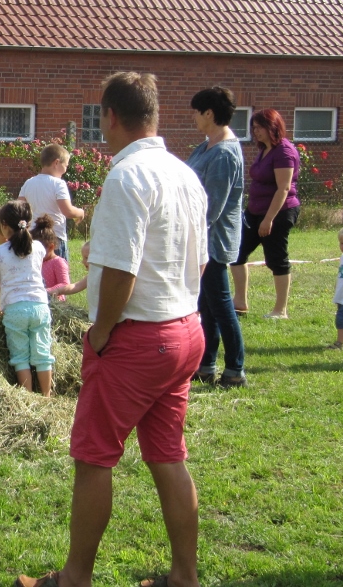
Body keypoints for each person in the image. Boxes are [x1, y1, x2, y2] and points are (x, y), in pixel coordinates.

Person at [16, 72, 208, 587]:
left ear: (111, 117)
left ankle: (75, 578)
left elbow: (123, 268)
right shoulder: (184, 172)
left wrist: (101, 331)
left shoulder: (126, 178)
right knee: (168, 455)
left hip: (136, 336)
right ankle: (184, 577)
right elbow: (201, 260)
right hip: (185, 327)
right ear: (155, 115)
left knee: (94, 456)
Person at [187, 86, 247, 388]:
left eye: (197, 112)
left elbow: (212, 206)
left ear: (209, 113)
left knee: (221, 305)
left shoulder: (224, 153)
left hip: (213, 240)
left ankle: (235, 368)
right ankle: (207, 364)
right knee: (207, 305)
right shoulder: (206, 146)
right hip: (201, 240)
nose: (194, 118)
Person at [230, 109, 301, 319]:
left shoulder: (284, 152)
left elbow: (283, 189)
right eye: (253, 127)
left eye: (260, 127)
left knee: (276, 259)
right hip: (254, 212)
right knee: (237, 253)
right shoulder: (264, 150)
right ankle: (240, 302)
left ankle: (281, 310)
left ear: (273, 127)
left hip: (279, 212)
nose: (255, 131)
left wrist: (268, 219)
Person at [0, 200, 53, 395]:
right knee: (43, 354)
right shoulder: (39, 248)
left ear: (3, 225)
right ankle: (47, 396)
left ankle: (29, 397)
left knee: (20, 357)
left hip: (14, 310)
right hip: (40, 307)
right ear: (29, 224)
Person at [18, 144, 85, 261]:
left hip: (33, 237)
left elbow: (19, 209)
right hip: (54, 238)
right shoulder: (58, 184)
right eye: (65, 165)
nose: (66, 169)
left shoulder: (29, 183)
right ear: (56, 163)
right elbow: (67, 211)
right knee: (57, 273)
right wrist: (80, 212)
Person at [32, 215, 70, 301]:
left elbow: (65, 284)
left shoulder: (58, 262)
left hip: (55, 303)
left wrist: (46, 291)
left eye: (40, 251)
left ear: (51, 247)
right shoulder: (36, 261)